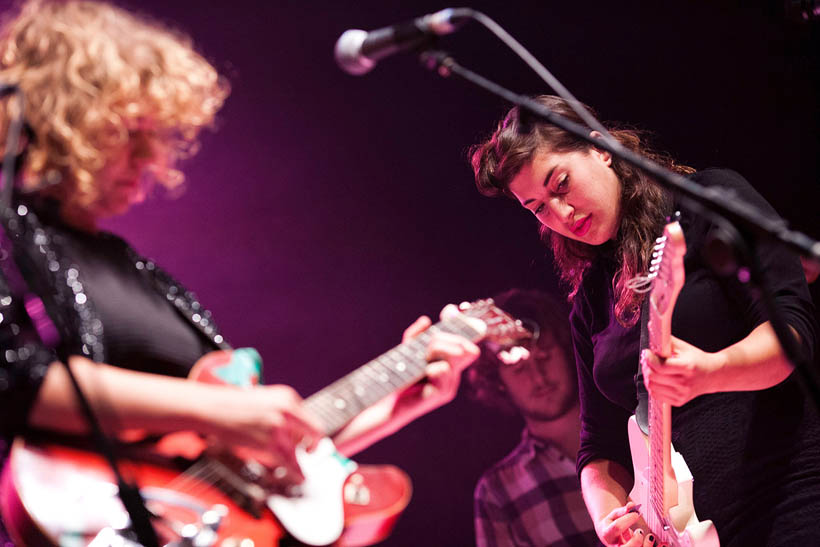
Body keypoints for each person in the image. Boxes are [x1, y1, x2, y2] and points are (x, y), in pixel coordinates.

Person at [0, 0, 480, 543]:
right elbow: (14, 375)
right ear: (65, 121)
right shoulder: (11, 240)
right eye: (126, 131)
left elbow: (234, 472)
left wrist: (399, 404)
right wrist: (225, 410)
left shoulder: (128, 266)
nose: (148, 156)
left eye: (155, 135)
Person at [469, 95, 820, 546]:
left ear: (600, 148)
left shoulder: (704, 205)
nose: (560, 214)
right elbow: (597, 448)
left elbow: (793, 334)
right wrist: (607, 517)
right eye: (537, 208)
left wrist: (711, 372)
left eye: (560, 184)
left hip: (790, 496)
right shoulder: (591, 301)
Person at [470, 288, 601, 546]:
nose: (539, 378)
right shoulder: (498, 491)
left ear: (567, 350)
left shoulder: (632, 426)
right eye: (519, 368)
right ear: (498, 382)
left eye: (545, 356)